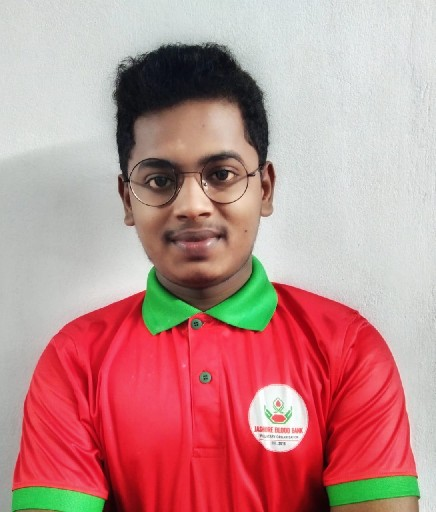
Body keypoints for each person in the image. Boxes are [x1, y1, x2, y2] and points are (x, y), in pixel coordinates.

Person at [12, 43, 419, 512]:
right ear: (127, 199)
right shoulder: (76, 361)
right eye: (160, 180)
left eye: (221, 174)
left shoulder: (347, 349)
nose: (192, 206)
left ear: (264, 188)